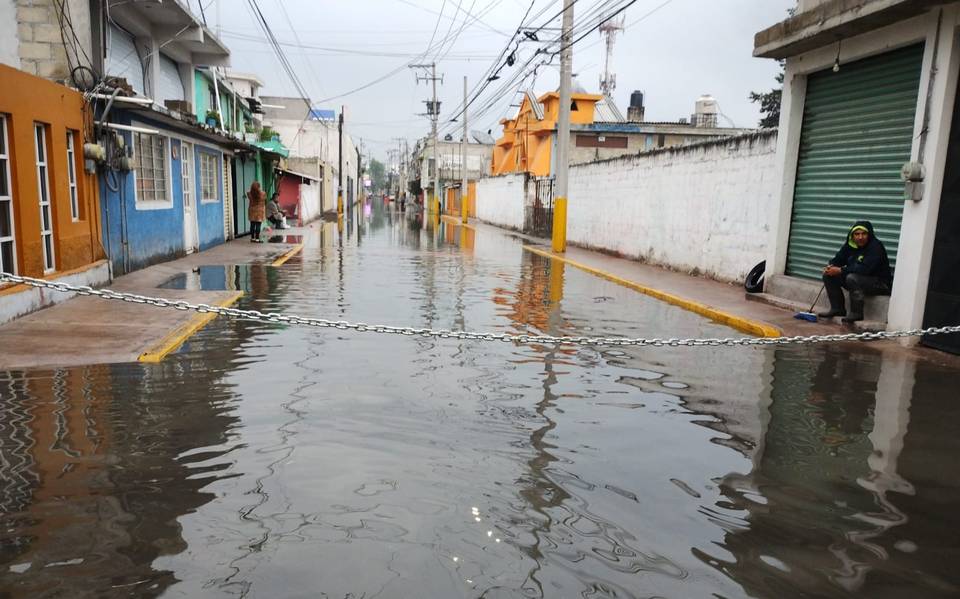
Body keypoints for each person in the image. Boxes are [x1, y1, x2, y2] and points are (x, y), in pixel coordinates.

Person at [818, 220, 892, 323]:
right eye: (857, 234)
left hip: (880, 284)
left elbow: (864, 270)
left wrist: (840, 270)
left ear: (869, 234)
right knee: (829, 276)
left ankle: (856, 313)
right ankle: (838, 309)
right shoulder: (850, 245)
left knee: (852, 278)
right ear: (852, 235)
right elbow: (838, 259)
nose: (860, 237)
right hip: (859, 280)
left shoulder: (875, 247)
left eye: (864, 234)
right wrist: (831, 266)